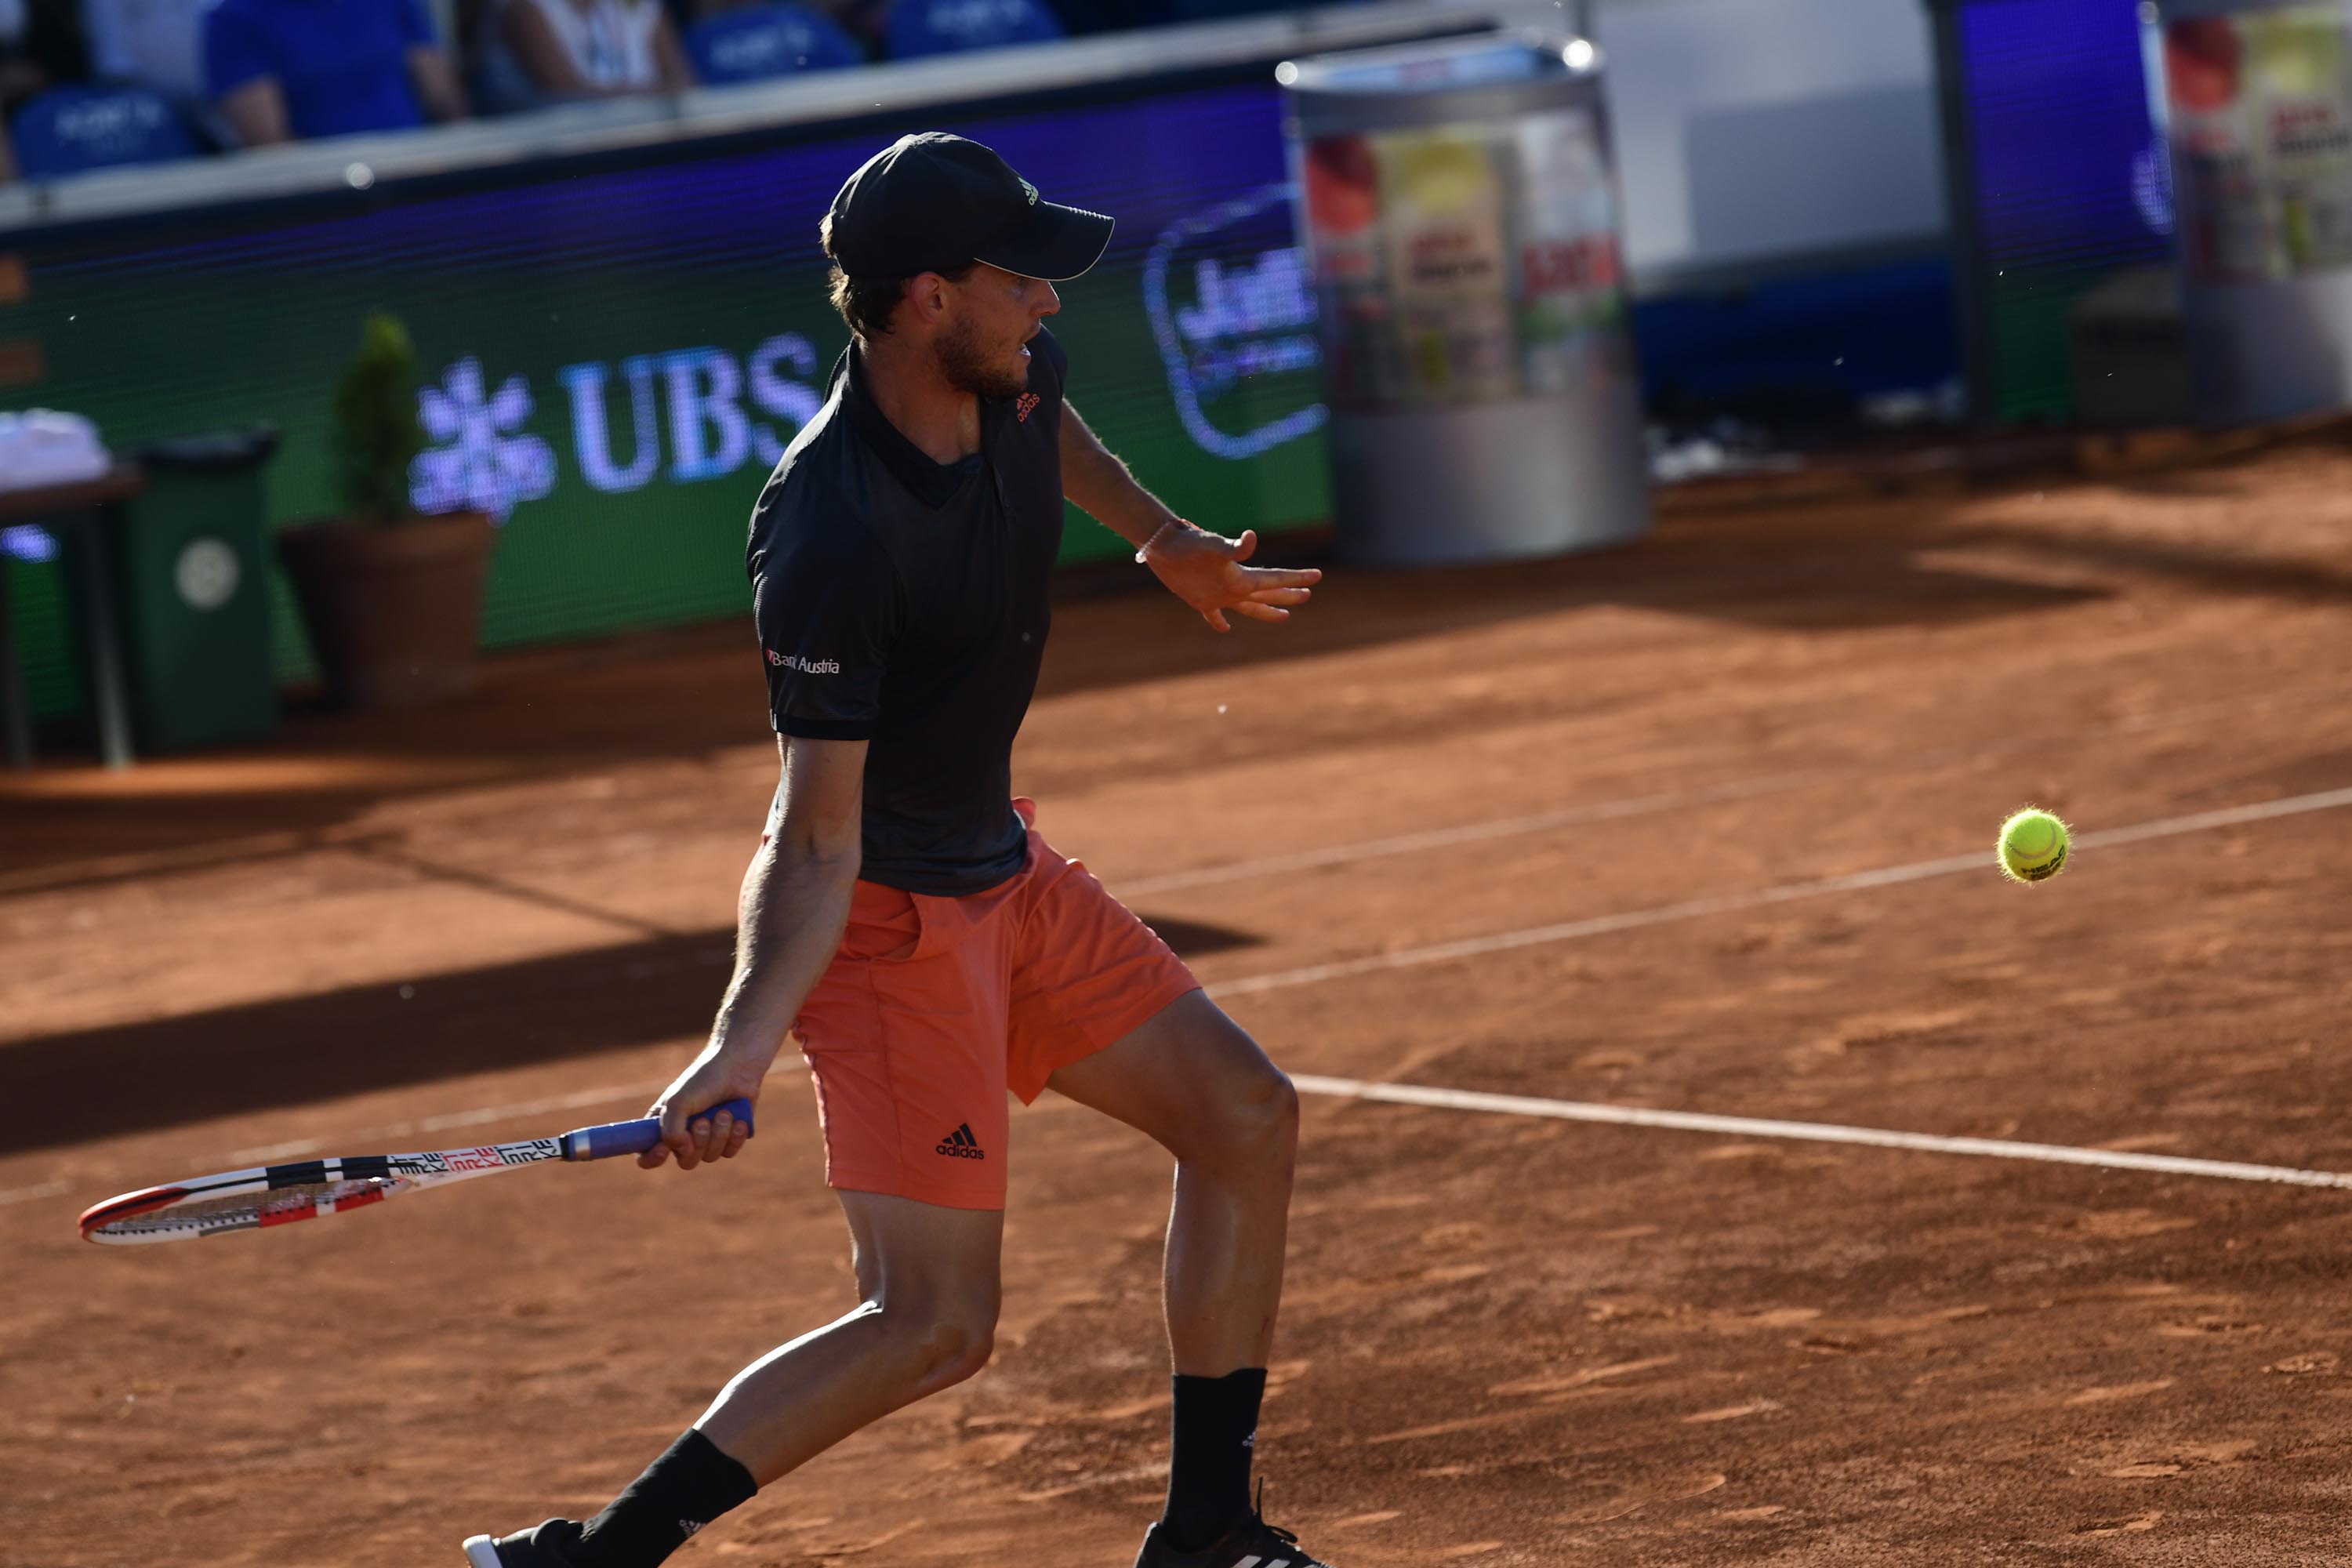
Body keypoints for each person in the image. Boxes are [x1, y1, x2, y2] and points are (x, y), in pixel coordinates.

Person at [462, 131, 1332, 1568]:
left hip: (1006, 872)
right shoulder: (830, 533)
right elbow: (813, 837)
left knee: (1245, 1117)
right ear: (928, 299)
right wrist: (742, 1044)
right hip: (883, 924)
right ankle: (592, 1562)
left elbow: (1058, 428)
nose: (1050, 304)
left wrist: (1166, 536)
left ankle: (1208, 1532)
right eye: (1021, 279)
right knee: (933, 1326)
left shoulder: (1013, 373)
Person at [204, 0, 468, 146]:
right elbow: (271, 147)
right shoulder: (233, 21)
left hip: (420, 171)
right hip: (329, 203)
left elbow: (446, 101)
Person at [479, 0, 692, 104]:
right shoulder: (524, 9)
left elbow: (686, 85)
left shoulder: (642, 7)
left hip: (652, 154)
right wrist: (658, 94)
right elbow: (569, 94)